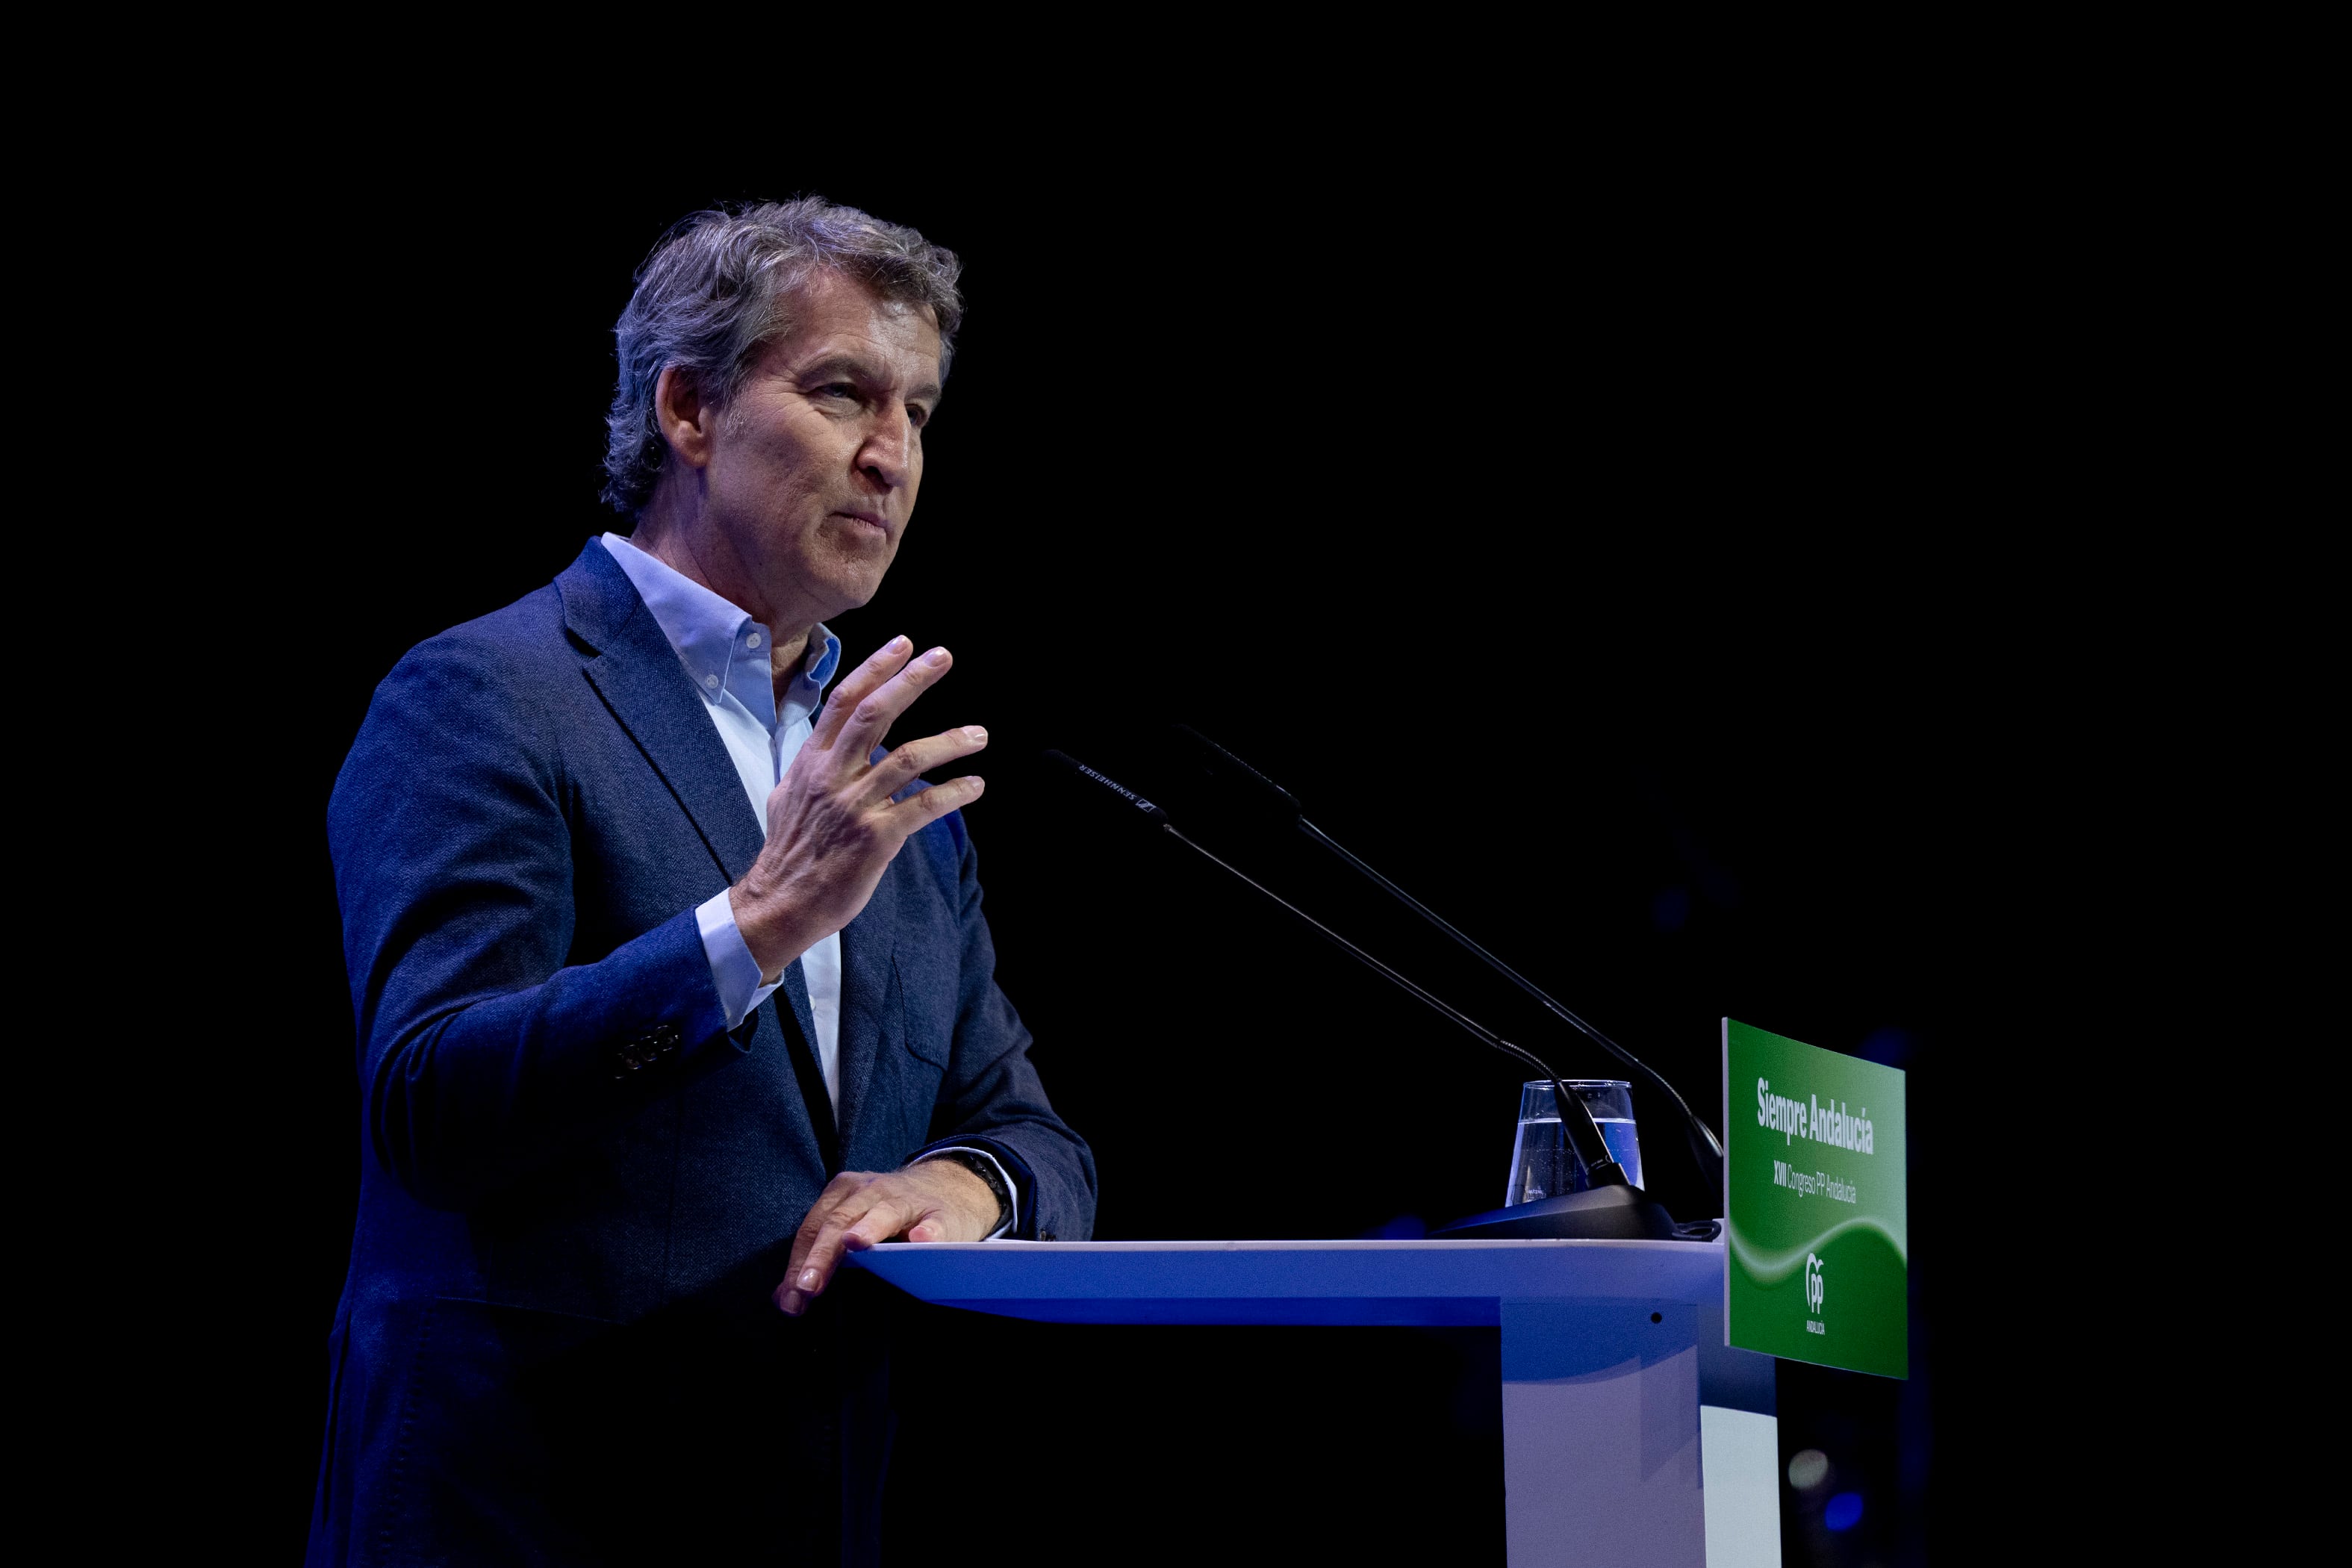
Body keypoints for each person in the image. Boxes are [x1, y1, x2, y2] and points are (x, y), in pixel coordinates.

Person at [307, 198, 1096, 1565]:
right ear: (687, 409)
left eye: (917, 410)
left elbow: (1036, 1143)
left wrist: (966, 1189)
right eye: (843, 390)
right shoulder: (487, 696)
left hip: (808, 1506)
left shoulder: (873, 778)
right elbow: (429, 1105)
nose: (888, 455)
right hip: (531, 1507)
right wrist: (761, 922)